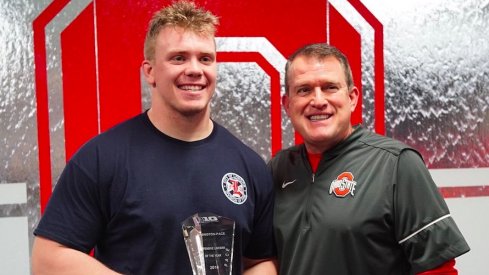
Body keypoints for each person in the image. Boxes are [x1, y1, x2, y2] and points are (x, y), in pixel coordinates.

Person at [31, 1, 277, 274]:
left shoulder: (249, 166)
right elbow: (48, 259)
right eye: (178, 58)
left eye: (205, 58)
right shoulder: (103, 159)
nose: (195, 69)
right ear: (150, 72)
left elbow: (260, 261)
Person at [269, 43, 470, 275]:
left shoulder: (396, 164)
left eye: (330, 87)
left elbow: (438, 270)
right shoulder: (278, 169)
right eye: (304, 90)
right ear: (287, 104)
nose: (318, 100)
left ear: (352, 98)